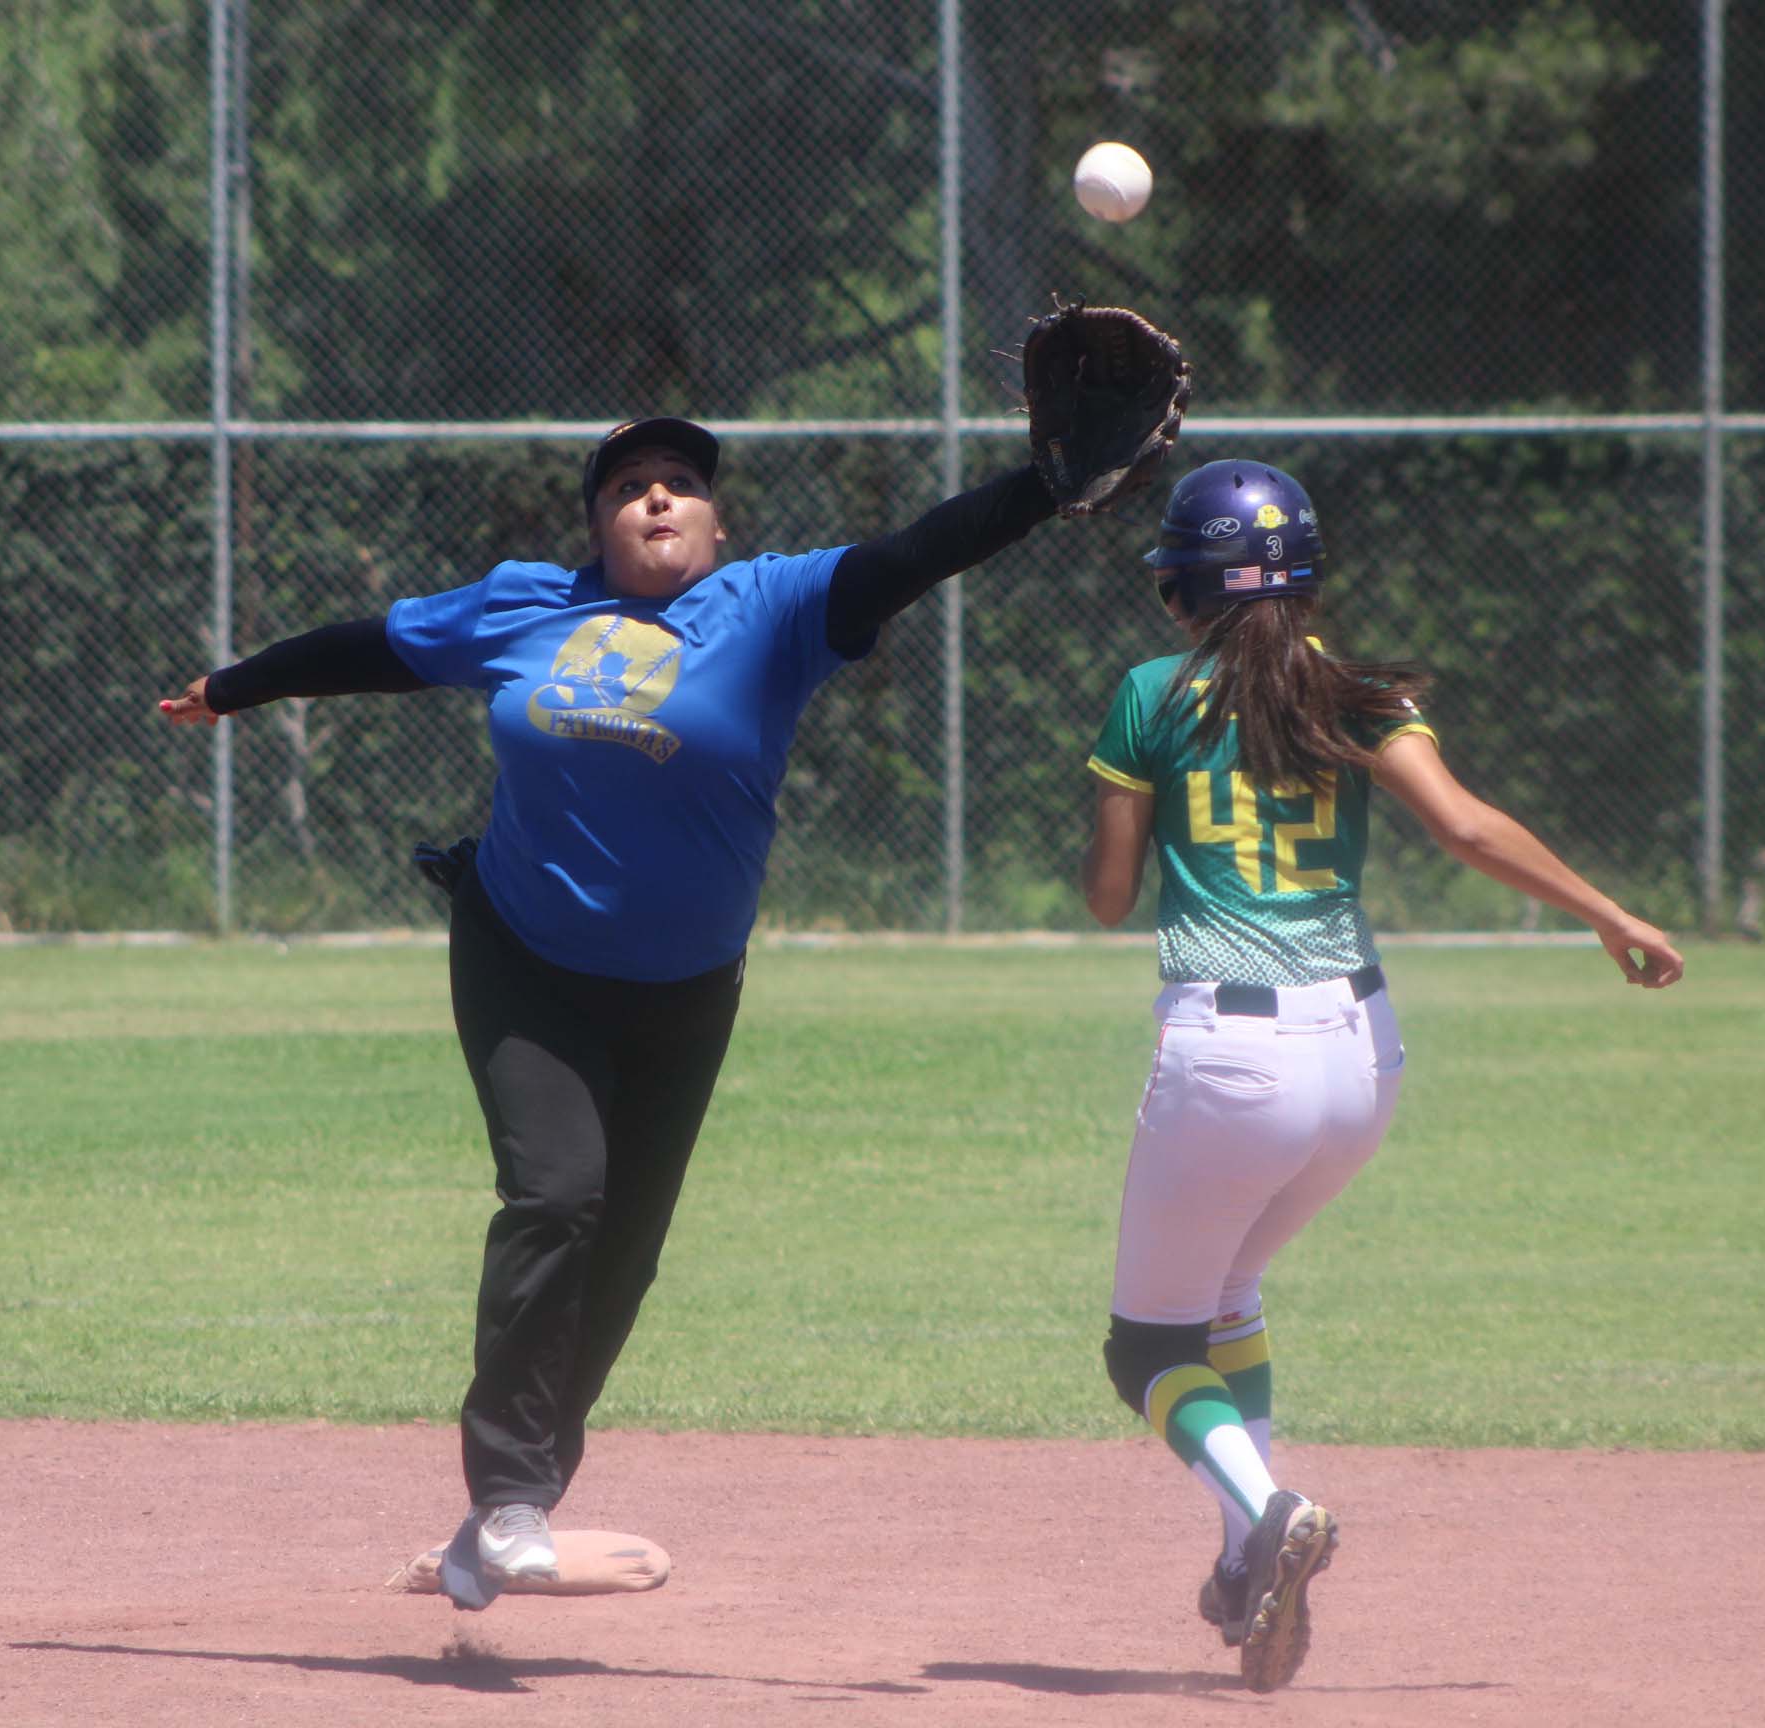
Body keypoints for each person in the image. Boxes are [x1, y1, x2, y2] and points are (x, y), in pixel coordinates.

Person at [159, 412, 1110, 1610]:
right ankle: (506, 1495)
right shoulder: (524, 607)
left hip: (686, 990)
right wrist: (233, 690)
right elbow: (376, 648)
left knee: (624, 1259)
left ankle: (498, 1521)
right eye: (628, 487)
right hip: (525, 956)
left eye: (679, 484)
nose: (657, 498)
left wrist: (1044, 484)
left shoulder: (772, 610)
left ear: (717, 523)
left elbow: (915, 553)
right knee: (556, 1195)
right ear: (597, 528)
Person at [1077, 458, 1684, 1692]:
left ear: (1179, 587)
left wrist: (1125, 796)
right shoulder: (1357, 693)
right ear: (1305, 579)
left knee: (1145, 1354)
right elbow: (1462, 827)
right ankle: (1247, 1556)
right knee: (1230, 1291)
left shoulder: (1149, 692)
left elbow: (1106, 899)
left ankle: (1269, 1511)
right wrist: (1607, 913)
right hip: (1363, 1061)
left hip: (1228, 1054)